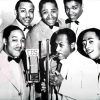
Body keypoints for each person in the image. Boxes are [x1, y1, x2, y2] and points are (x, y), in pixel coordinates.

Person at [49, 28, 100, 100]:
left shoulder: (88, 64)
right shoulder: (62, 62)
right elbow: (61, 93)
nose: (57, 49)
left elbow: (91, 96)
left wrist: (61, 83)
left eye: (61, 45)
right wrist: (51, 87)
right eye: (56, 45)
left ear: (72, 45)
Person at [0, 25, 29, 100]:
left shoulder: (25, 61)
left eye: (22, 40)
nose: (19, 45)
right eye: (14, 40)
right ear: (5, 41)